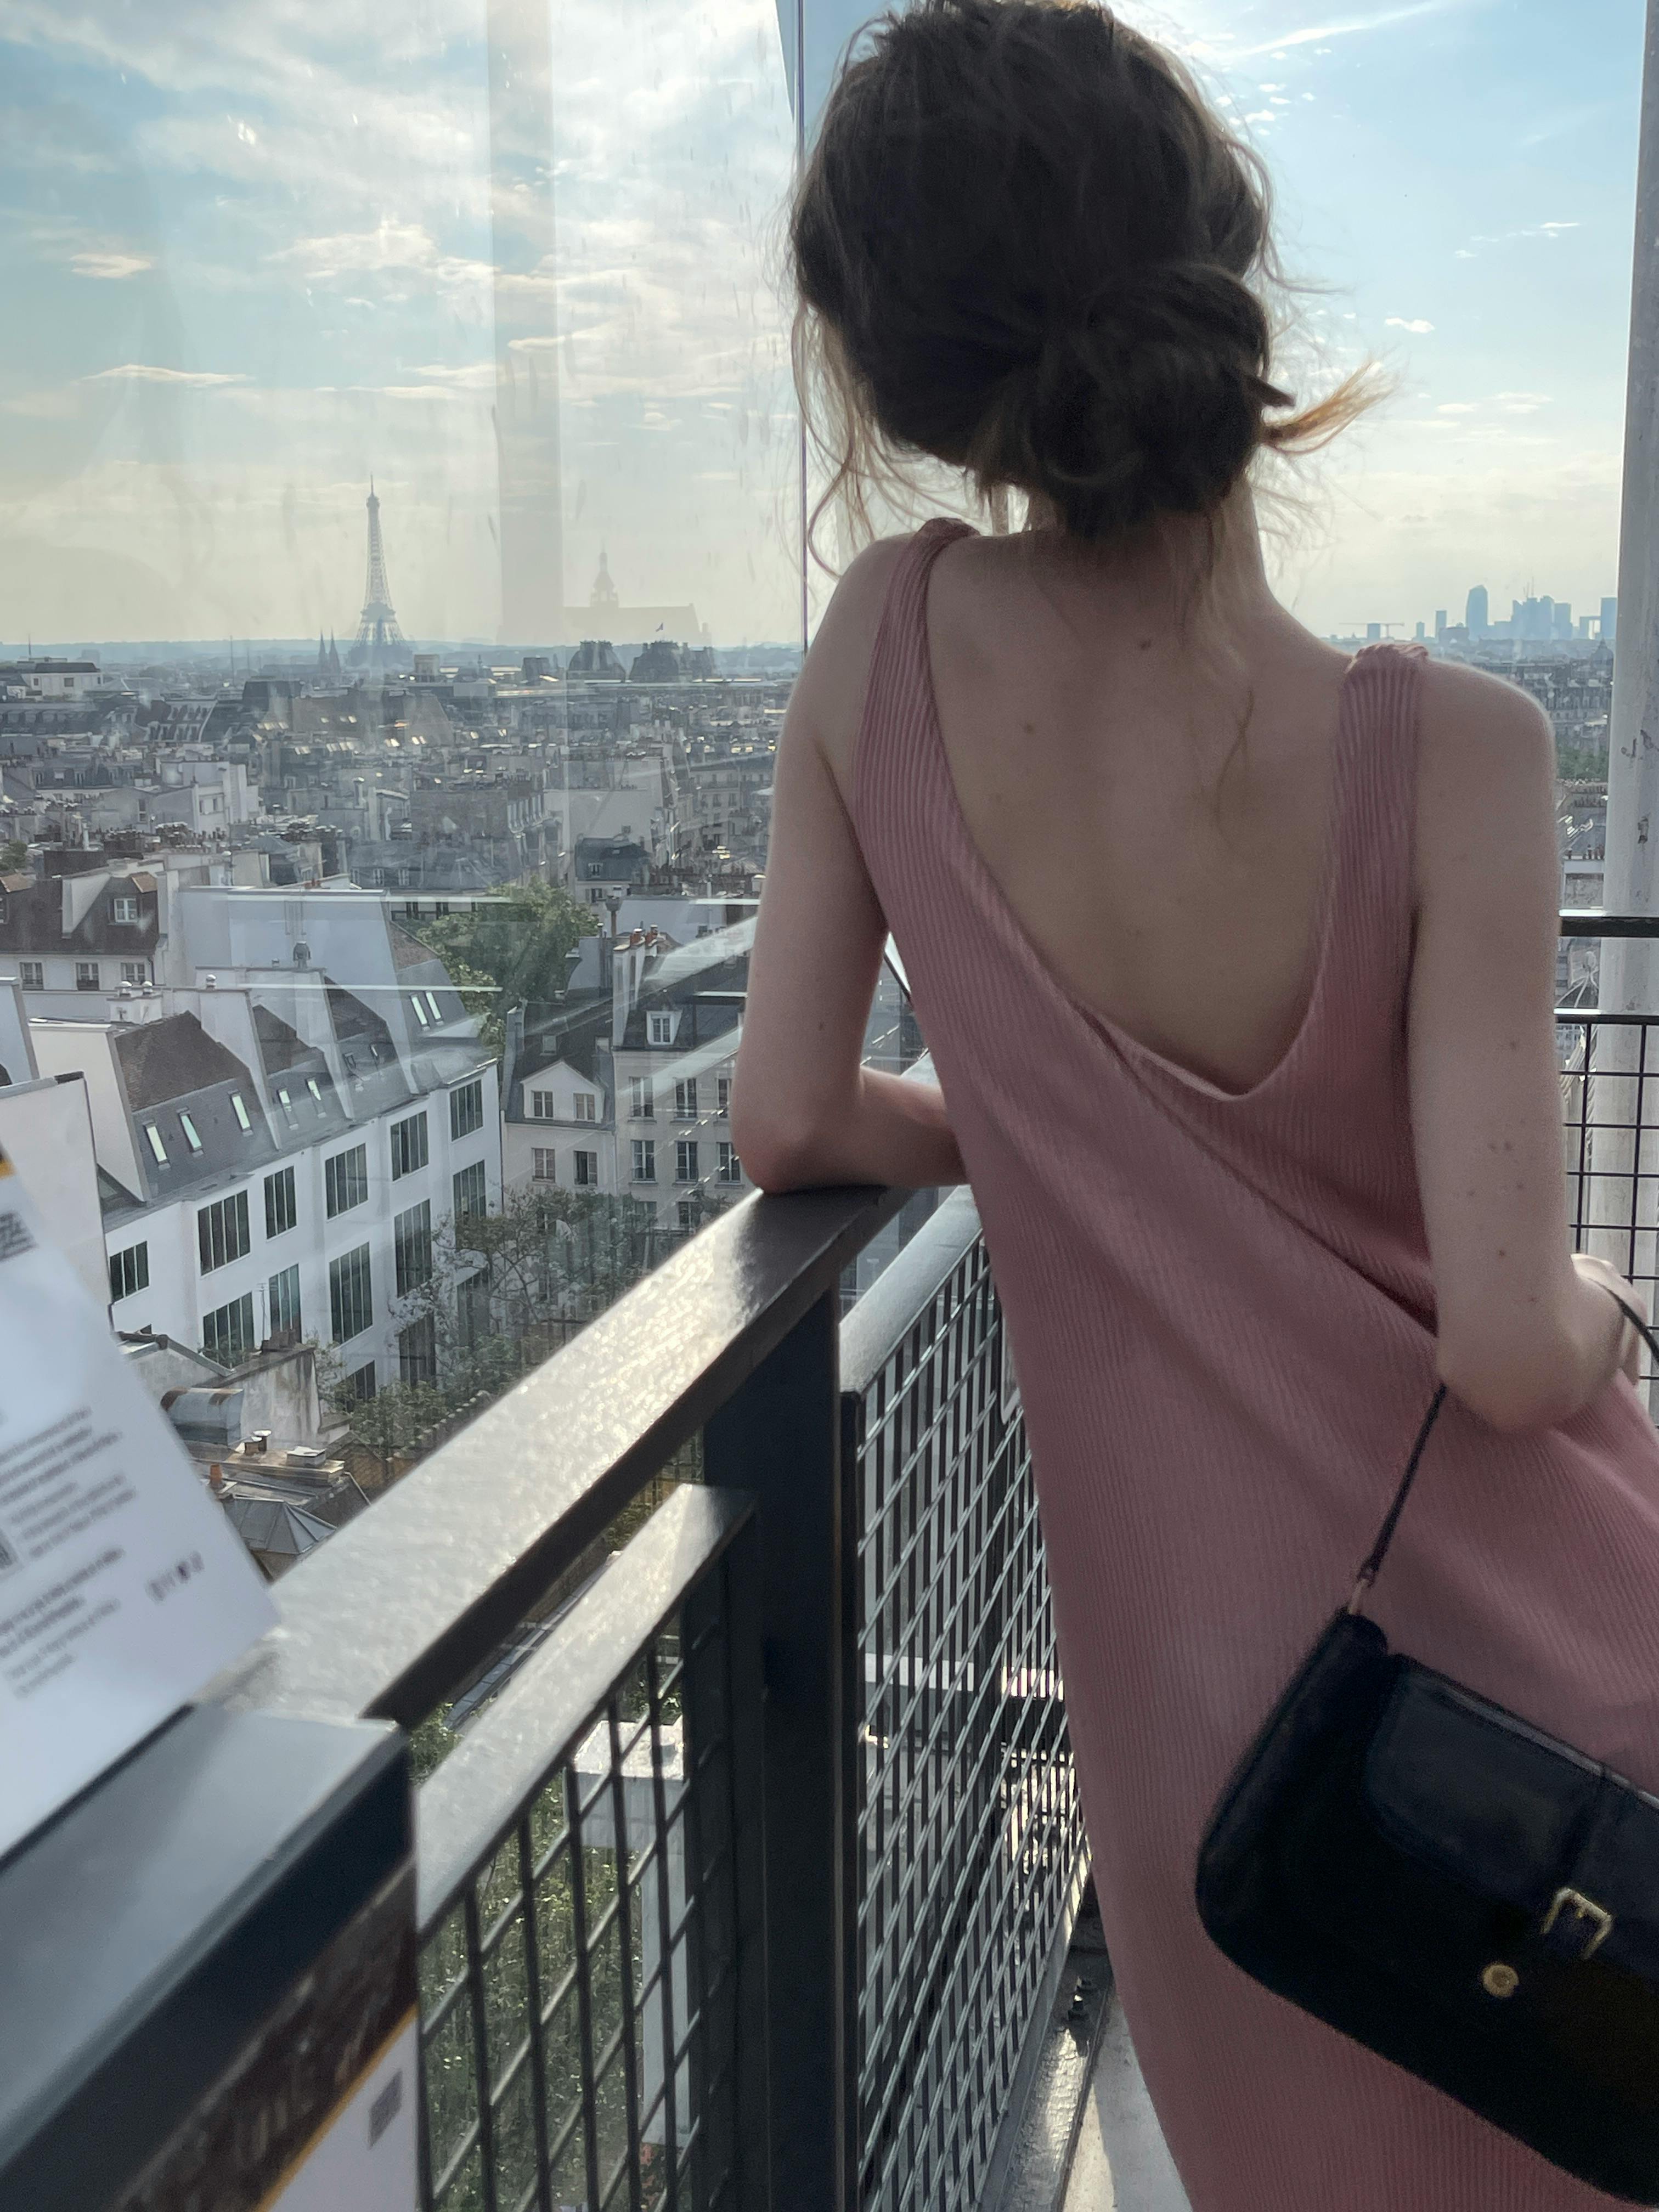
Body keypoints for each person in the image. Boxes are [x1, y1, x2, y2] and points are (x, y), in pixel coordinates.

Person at [730, 2, 1659, 2204]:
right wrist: (1620, 1305)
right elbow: (1520, 1347)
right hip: (1549, 1699)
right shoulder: (1458, 755)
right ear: (1226, 270)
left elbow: (787, 1118)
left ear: (901, 374)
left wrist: (1053, 1136)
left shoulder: (881, 648)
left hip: (1207, 1757)